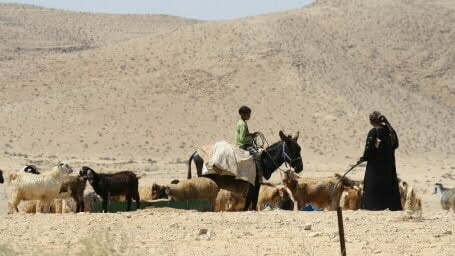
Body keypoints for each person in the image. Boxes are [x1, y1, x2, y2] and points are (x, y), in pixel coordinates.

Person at [357, 111, 402, 211]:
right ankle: (391, 206)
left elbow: (368, 150)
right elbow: (396, 145)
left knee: (373, 186)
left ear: (371, 120)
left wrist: (363, 158)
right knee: (389, 186)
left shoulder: (374, 132)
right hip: (389, 167)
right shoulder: (390, 131)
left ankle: (372, 206)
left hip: (375, 168)